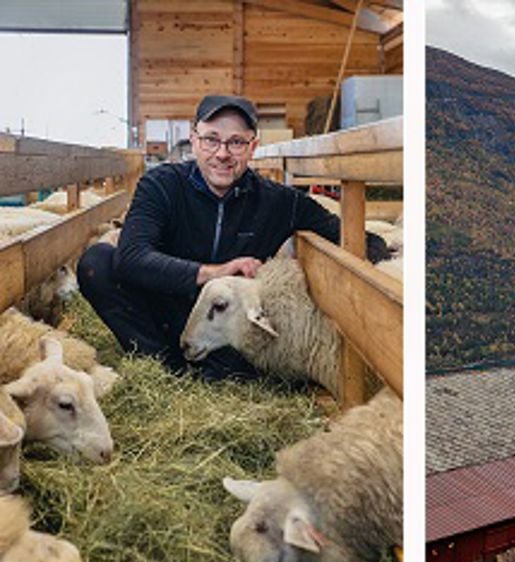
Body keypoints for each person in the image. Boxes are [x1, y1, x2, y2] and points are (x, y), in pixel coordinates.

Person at [78, 95, 388, 381]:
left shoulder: (279, 202)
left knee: (243, 362)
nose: (223, 154)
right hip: (166, 309)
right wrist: (214, 272)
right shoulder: (161, 185)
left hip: (227, 326)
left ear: (252, 147)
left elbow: (363, 240)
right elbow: (131, 257)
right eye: (212, 140)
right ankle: (167, 368)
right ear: (195, 140)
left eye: (236, 142)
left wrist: (321, 274)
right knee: (97, 263)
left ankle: (217, 370)